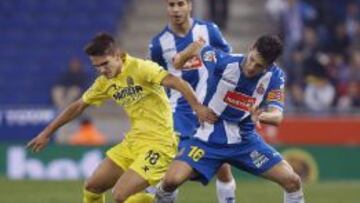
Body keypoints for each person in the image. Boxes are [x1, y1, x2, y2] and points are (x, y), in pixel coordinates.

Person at [26, 32, 217, 203]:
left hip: (160, 144)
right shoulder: (104, 82)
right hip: (133, 142)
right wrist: (47, 132)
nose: (101, 70)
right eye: (96, 66)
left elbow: (176, 82)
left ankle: (161, 197)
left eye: (104, 64)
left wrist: (197, 107)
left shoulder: (141, 68)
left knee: (119, 195)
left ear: (117, 56)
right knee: (92, 188)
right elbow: (78, 106)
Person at [155, 35, 305, 203]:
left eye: (258, 66)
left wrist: (261, 115)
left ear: (269, 65)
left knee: (293, 181)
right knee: (170, 182)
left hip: (245, 141)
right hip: (208, 137)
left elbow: (277, 116)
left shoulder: (275, 77)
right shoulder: (223, 61)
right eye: (252, 59)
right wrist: (181, 59)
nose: (251, 67)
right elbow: (198, 47)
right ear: (251, 47)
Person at [148, 0, 236, 202]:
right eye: (171, 4)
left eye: (180, 4)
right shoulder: (158, 44)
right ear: (166, 7)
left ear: (190, 6)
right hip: (179, 114)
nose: (176, 9)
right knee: (171, 171)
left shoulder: (209, 31)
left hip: (210, 109)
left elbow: (228, 62)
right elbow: (154, 79)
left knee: (223, 167)